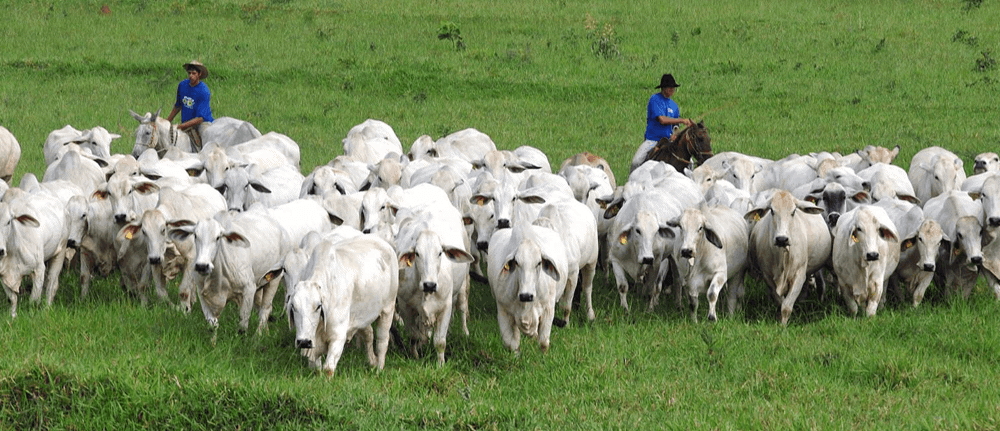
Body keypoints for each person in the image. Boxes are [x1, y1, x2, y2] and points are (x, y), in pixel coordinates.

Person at [630, 73, 695, 172]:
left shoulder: (674, 106)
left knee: (690, 162)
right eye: (670, 87)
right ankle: (632, 182)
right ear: (663, 88)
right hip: (653, 140)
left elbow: (675, 126)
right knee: (636, 162)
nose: (672, 89)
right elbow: (662, 120)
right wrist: (682, 120)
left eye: (673, 87)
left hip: (668, 141)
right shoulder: (654, 99)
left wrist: (675, 134)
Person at [166, 60, 214, 150]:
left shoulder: (204, 91)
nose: (191, 76)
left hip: (202, 124)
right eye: (189, 73)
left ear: (199, 74)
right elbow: (178, 106)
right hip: (186, 122)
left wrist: (181, 126)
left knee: (203, 144)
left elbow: (200, 118)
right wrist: (167, 122)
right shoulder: (182, 85)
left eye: (194, 73)